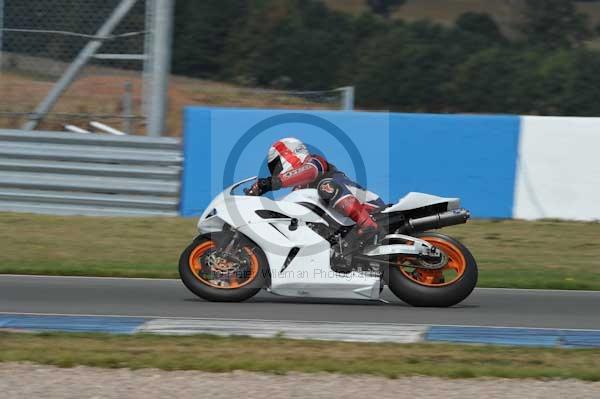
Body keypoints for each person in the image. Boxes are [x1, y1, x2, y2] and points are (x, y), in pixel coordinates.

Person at [246, 137, 384, 237]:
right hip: (345, 229)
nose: (275, 171)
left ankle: (367, 224)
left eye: (275, 165)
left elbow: (310, 171)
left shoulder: (314, 162)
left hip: (372, 209)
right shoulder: (299, 192)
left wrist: (269, 183)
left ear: (289, 154)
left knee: (326, 186)